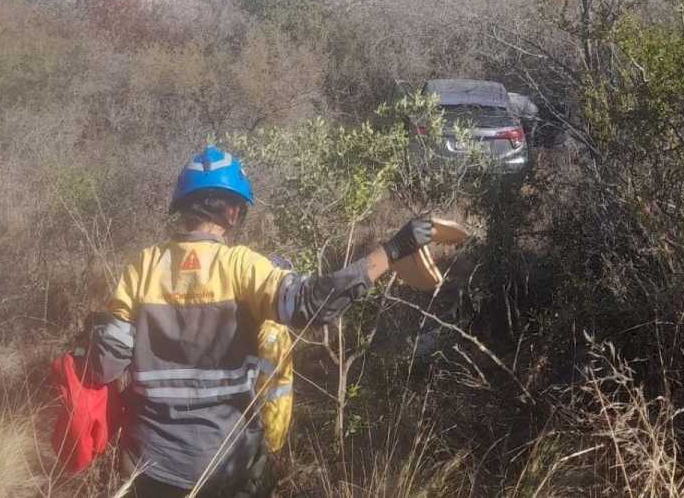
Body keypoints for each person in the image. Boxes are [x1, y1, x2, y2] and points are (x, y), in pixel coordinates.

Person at [87, 145, 432, 497]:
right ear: (233, 211)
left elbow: (103, 365)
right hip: (226, 466)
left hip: (152, 467)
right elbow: (312, 305)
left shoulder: (142, 267)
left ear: (184, 207)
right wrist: (390, 252)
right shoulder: (242, 266)